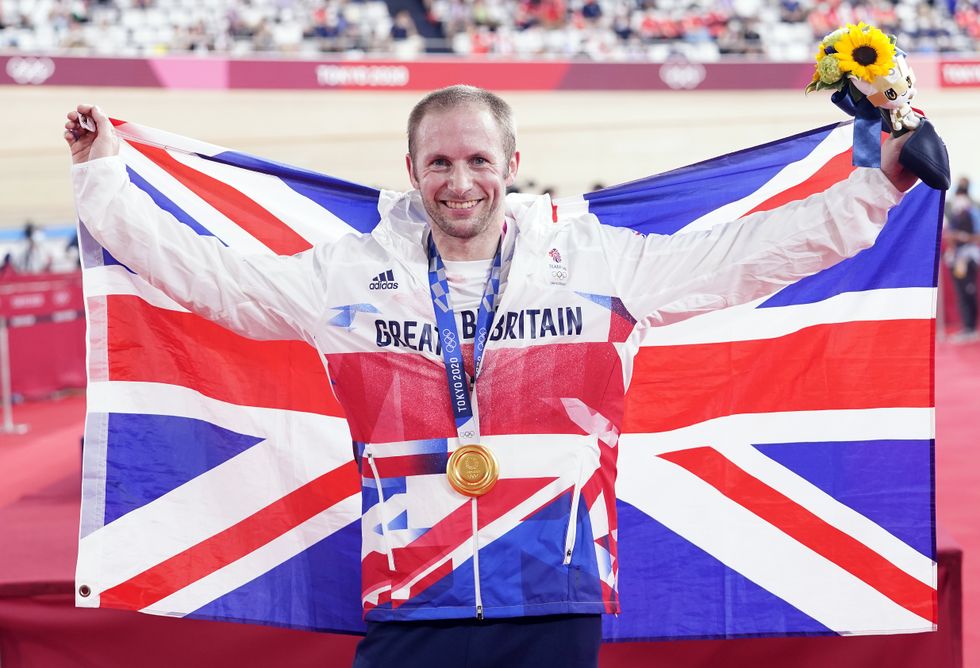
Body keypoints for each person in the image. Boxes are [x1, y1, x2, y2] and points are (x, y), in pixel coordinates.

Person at [64, 87, 916, 668]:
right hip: (409, 596)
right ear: (412, 172)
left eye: (476, 161)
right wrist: (104, 177)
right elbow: (212, 277)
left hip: (557, 596)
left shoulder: (599, 262)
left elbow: (750, 256)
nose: (458, 181)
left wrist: (881, 185)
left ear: (511, 163)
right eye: (439, 164)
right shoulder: (347, 277)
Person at [943, 176, 980, 342]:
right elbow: (950, 235)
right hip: (958, 259)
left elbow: (976, 237)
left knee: (968, 291)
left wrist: (963, 237)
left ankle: (971, 327)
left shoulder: (973, 211)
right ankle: (967, 326)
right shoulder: (955, 212)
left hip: (969, 257)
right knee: (961, 293)